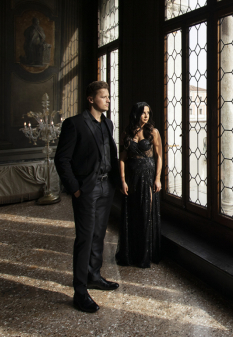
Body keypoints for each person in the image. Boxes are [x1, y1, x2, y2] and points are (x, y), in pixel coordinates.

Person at [54, 81, 120, 313]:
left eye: (109, 96)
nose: (108, 100)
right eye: (104, 96)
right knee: (84, 238)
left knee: (98, 235)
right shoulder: (74, 124)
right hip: (87, 189)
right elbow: (61, 159)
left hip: (106, 188)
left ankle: (93, 275)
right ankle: (80, 291)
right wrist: (75, 189)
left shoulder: (108, 124)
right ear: (91, 99)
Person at [115, 102, 162, 268]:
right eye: (143, 113)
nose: (146, 116)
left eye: (148, 113)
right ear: (136, 114)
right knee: (132, 213)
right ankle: (132, 253)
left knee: (146, 213)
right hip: (132, 176)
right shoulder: (128, 132)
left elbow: (159, 157)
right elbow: (122, 159)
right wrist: (122, 180)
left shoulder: (153, 132)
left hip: (148, 177)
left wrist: (157, 179)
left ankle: (145, 254)